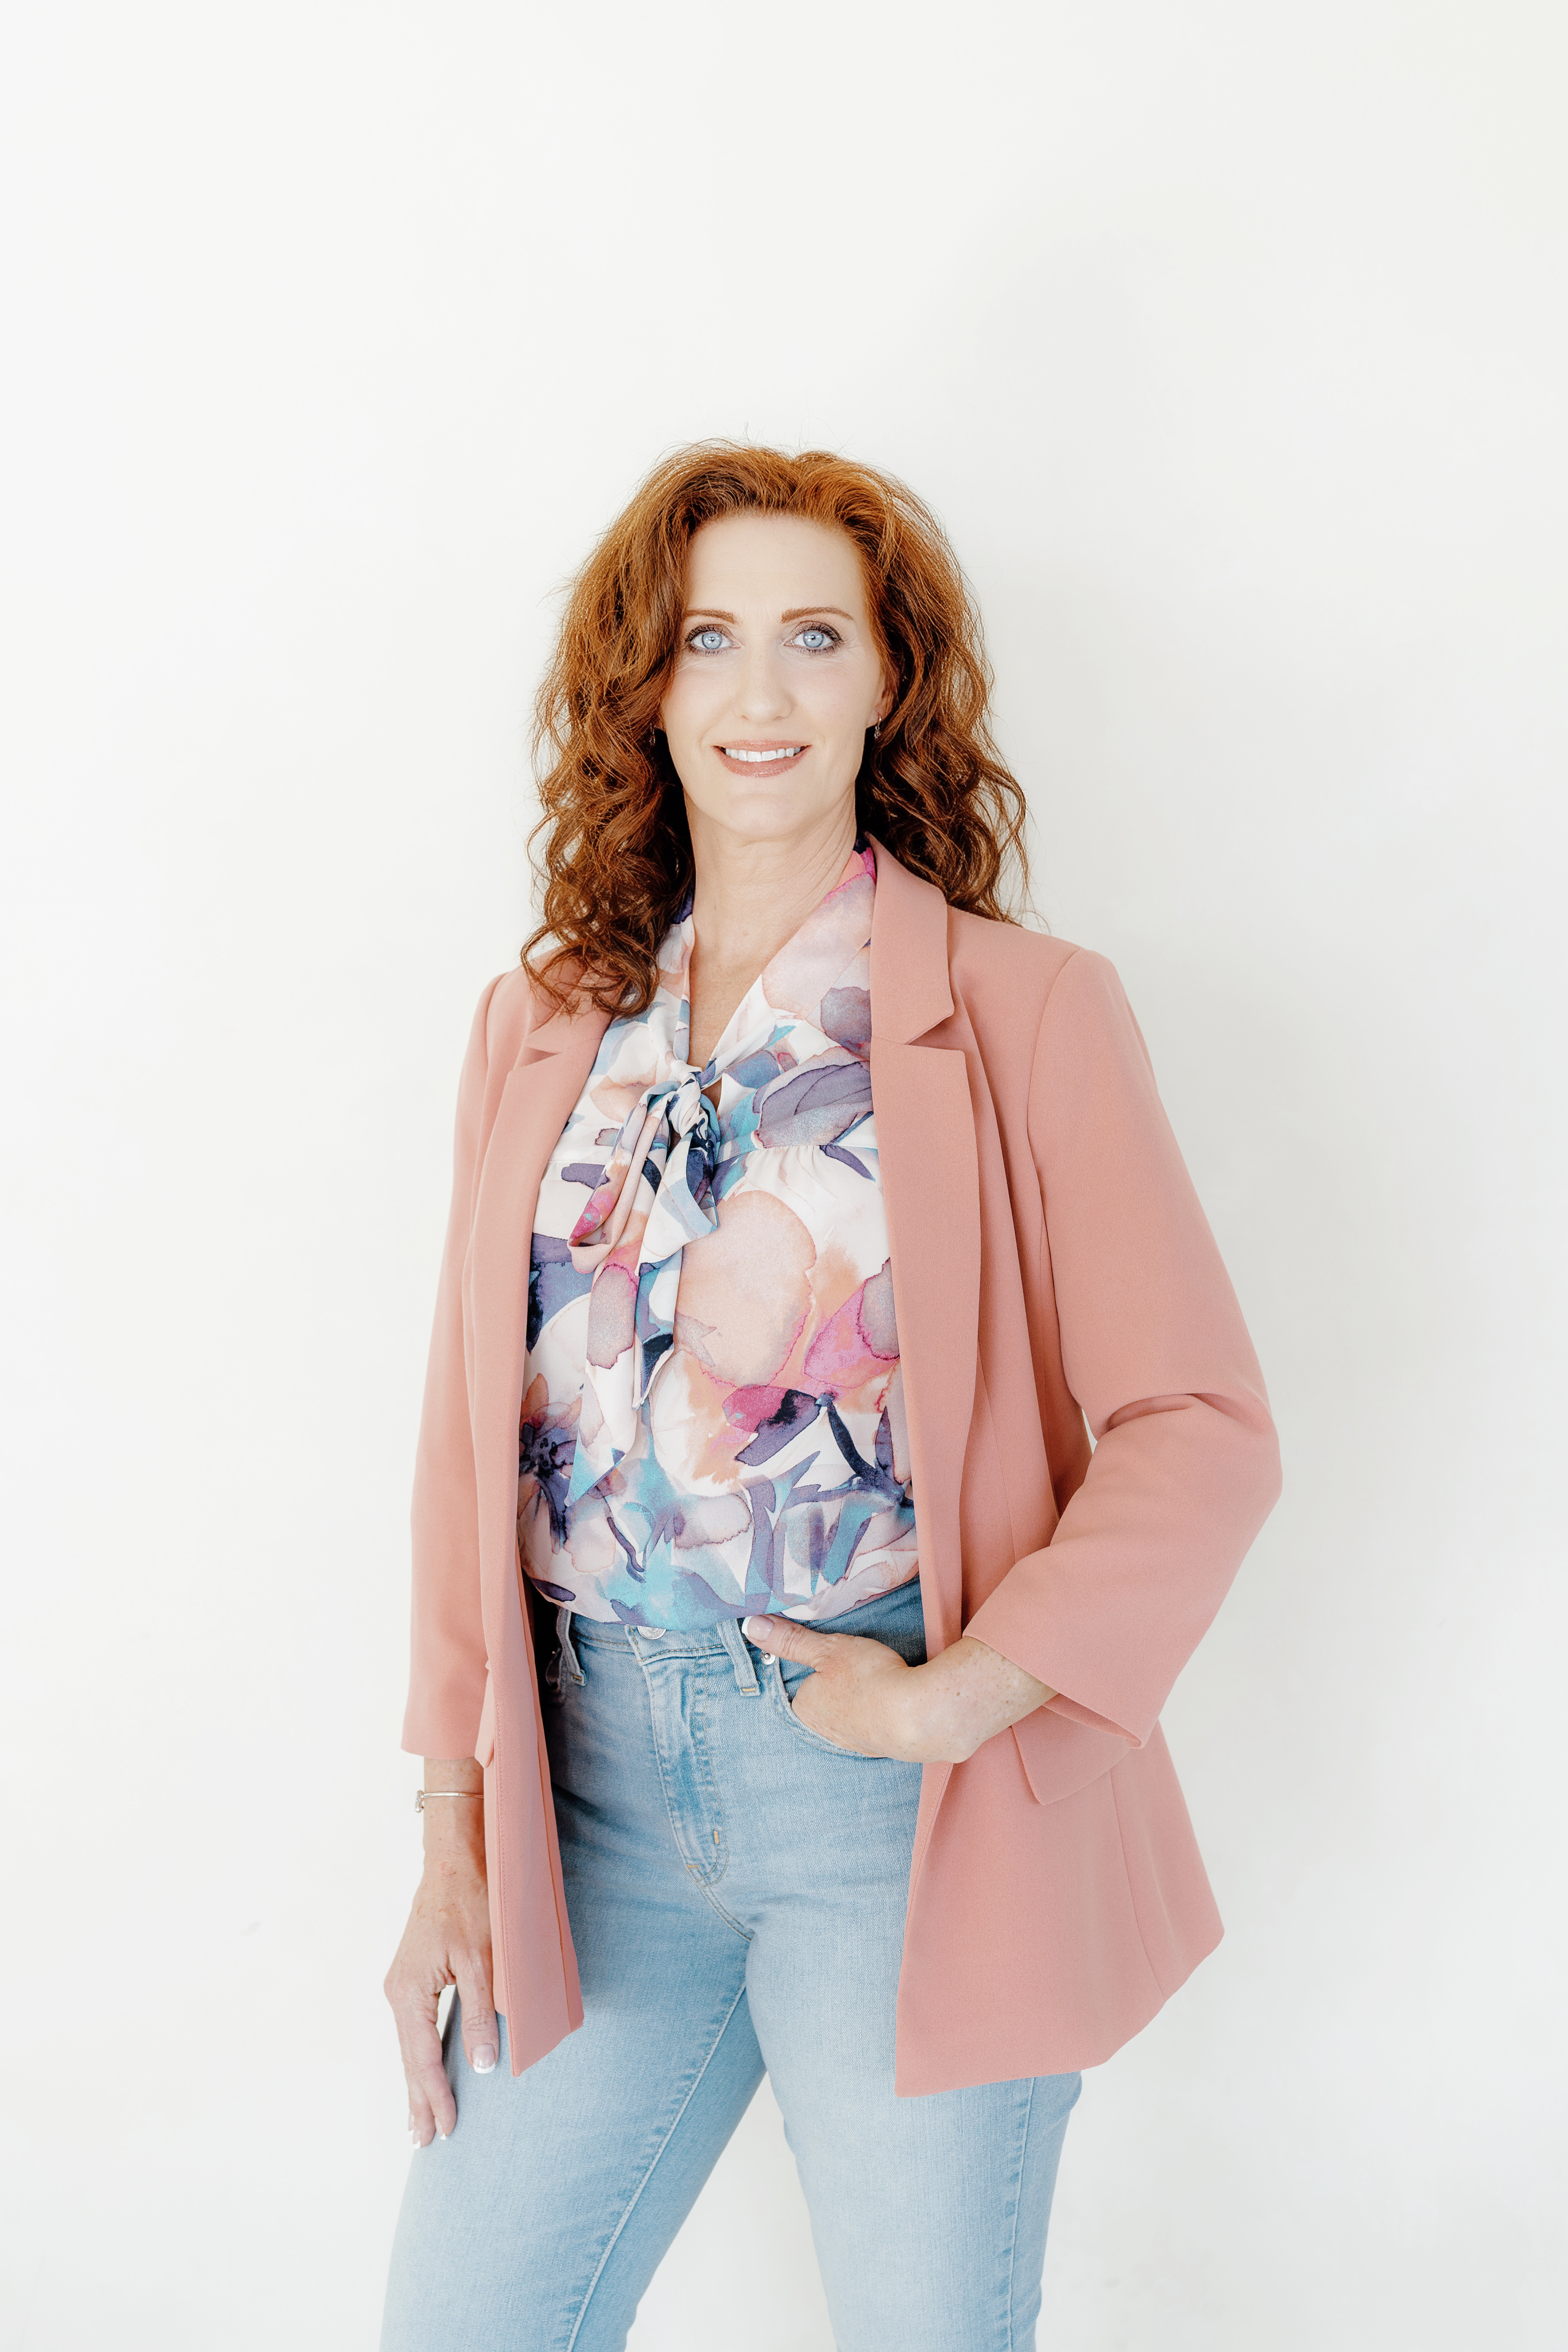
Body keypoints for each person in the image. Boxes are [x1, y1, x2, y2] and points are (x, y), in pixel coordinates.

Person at [379, 444, 1282, 2352]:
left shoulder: (1024, 1012)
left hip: (890, 1809)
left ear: (890, 679)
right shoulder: (542, 1021)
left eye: (813, 636)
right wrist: (451, 1820)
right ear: (649, 690)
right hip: (590, 1796)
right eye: (709, 641)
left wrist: (967, 1689)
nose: (760, 692)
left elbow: (1196, 1424)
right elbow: (471, 1450)